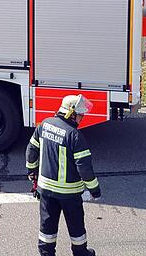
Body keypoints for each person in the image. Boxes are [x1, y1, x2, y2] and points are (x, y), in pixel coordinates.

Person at [26, 94, 100, 256]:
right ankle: (80, 252)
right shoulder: (74, 135)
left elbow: (31, 150)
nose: (82, 118)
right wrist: (95, 190)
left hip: (45, 190)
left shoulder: (44, 125)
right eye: (80, 115)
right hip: (69, 193)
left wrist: (32, 171)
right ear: (71, 114)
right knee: (76, 225)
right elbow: (84, 167)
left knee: (47, 225)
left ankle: (46, 253)